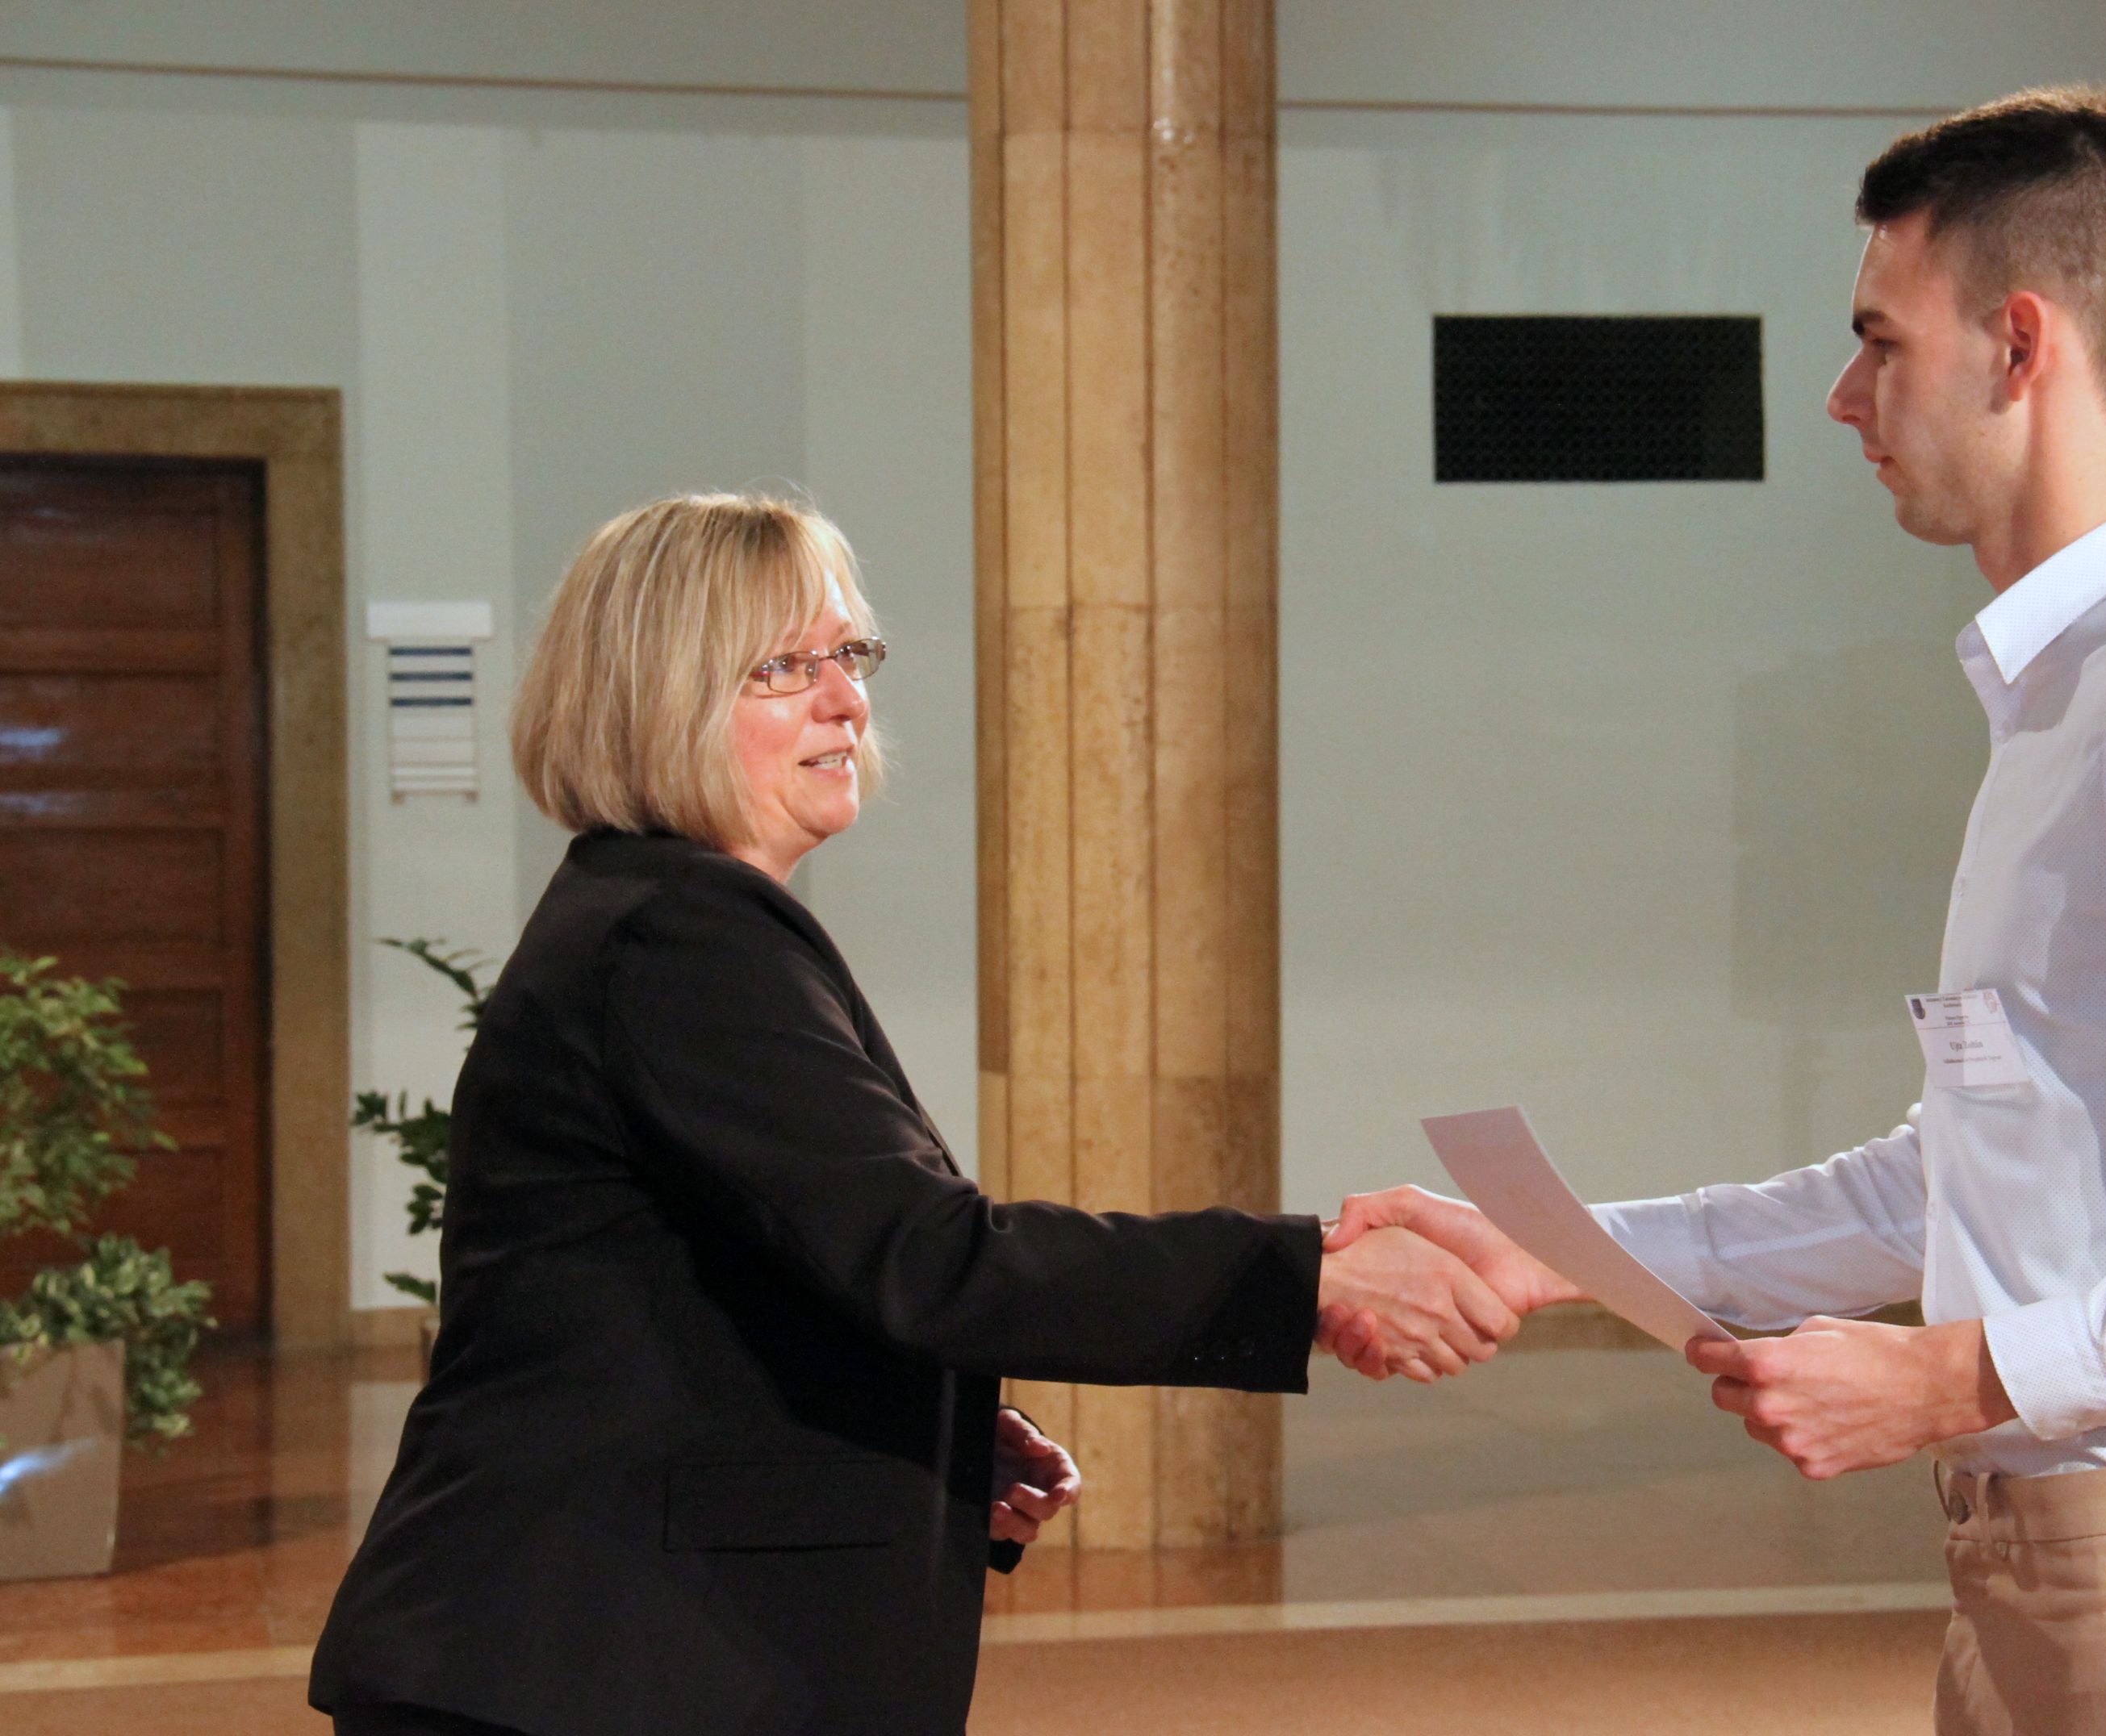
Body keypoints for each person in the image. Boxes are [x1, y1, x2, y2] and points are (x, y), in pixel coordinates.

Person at [1326, 88, 2106, 1734]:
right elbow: (1959, 1183)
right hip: (2034, 1582)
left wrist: (1953, 1374)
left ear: (2019, 347)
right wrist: (1554, 1256)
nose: (1842, 394)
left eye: (1881, 339)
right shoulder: (2070, 696)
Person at [310, 494, 1519, 1736]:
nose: (845, 699)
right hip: (574, 1667)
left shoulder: (653, 914)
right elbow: (929, 1257)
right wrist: (1306, 1279)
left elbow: (701, 1287)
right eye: (783, 667)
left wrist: (913, 1431)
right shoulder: (682, 935)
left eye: (850, 654)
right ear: (655, 697)